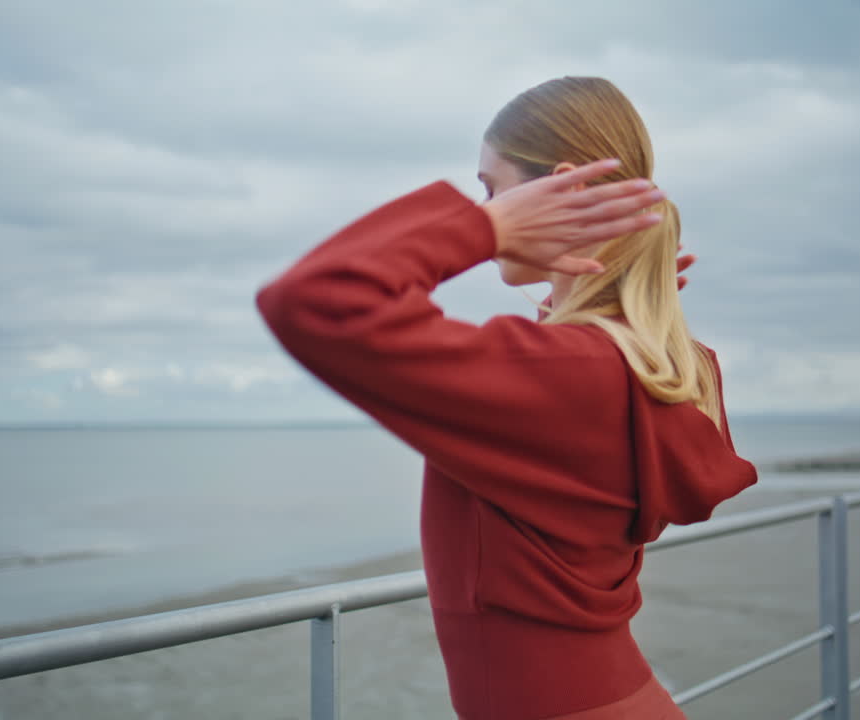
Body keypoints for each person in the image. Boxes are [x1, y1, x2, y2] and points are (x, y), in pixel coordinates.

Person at [258, 77, 757, 720]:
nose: (485, 205)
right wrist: (608, 286)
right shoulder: (665, 368)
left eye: (491, 189)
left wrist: (481, 232)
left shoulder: (571, 374)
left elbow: (312, 301)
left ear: (566, 187)